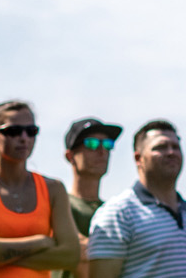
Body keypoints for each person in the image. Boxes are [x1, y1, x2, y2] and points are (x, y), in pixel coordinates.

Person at [0, 100, 80, 278]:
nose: (24, 137)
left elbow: (70, 256)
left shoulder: (53, 189)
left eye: (31, 131)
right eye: (13, 131)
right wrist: (40, 242)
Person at [87, 120, 186, 278]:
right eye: (160, 147)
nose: (171, 152)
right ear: (138, 158)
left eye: (176, 147)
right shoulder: (117, 213)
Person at [61, 117, 125, 277]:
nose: (102, 151)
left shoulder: (114, 210)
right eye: (92, 144)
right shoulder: (58, 202)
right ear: (70, 156)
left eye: (107, 144)